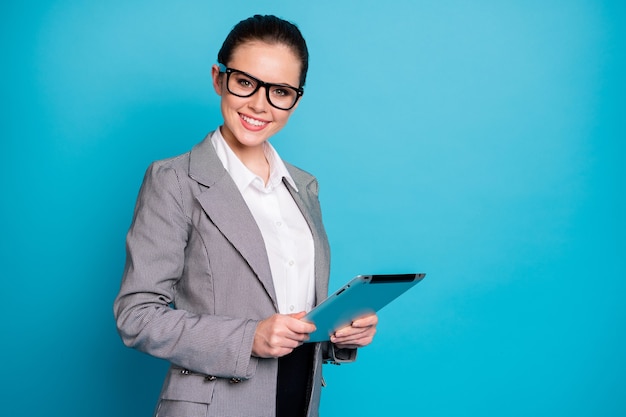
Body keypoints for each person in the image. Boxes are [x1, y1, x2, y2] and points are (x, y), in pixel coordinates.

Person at [113, 14, 378, 417]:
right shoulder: (174, 180)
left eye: (281, 91)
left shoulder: (304, 187)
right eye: (245, 82)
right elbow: (137, 315)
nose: (259, 104)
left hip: (298, 401)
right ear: (219, 78)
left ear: (296, 100)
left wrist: (340, 334)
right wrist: (247, 338)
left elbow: (293, 313)